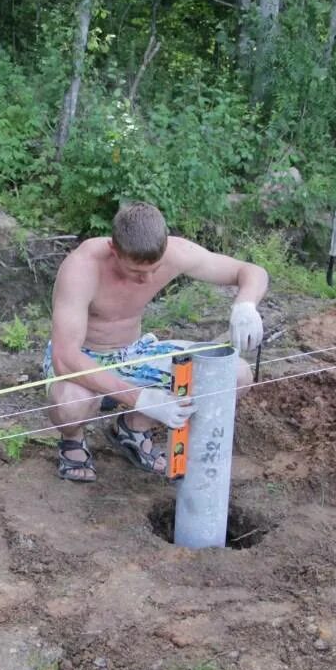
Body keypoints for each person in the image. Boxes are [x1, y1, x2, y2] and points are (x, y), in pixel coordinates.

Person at [44, 202, 268, 482]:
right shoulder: (82, 268)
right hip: (85, 357)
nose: (147, 279)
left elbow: (250, 271)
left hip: (135, 355)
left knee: (235, 374)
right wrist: (141, 398)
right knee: (70, 404)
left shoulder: (176, 252)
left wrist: (246, 304)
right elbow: (65, 358)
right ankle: (73, 440)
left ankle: (132, 429)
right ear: (114, 250)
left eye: (155, 268)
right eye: (136, 271)